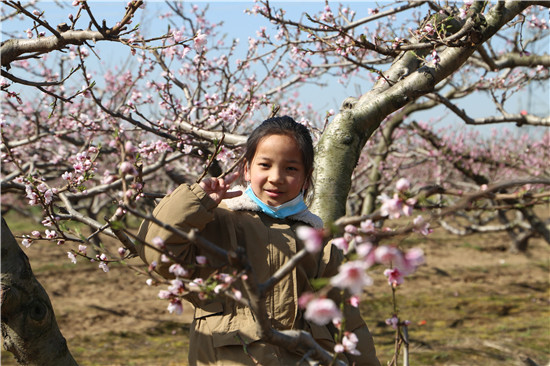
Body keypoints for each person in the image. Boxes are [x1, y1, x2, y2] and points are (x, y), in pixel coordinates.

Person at [137, 116, 380, 366]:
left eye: (291, 169)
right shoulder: (218, 222)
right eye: (265, 165)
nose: (276, 177)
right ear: (246, 169)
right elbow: (157, 251)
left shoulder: (317, 242)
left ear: (307, 178)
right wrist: (196, 201)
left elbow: (348, 320)